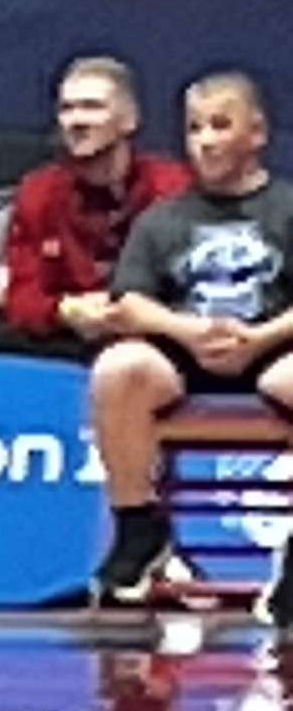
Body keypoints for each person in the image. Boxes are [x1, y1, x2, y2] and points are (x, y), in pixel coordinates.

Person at [70, 74, 293, 611]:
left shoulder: (287, 206)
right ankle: (139, 530)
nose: (206, 141)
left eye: (221, 125)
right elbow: (130, 303)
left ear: (257, 132)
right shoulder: (164, 218)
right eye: (195, 129)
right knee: (118, 368)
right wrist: (189, 332)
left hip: (273, 348)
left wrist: (259, 336)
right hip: (184, 353)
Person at [0, 56, 190, 355]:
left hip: (160, 348)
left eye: (92, 107)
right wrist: (64, 310)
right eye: (67, 109)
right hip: (67, 345)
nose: (76, 121)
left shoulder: (176, 189)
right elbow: (20, 296)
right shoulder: (38, 192)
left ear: (130, 120)